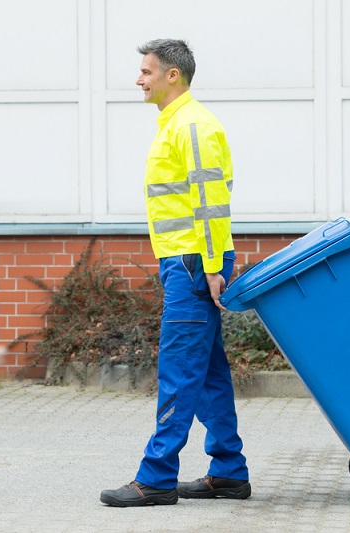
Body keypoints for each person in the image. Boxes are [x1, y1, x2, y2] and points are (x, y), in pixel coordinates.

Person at [100, 39, 250, 507]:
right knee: (206, 374)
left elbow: (210, 206)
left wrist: (208, 268)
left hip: (192, 266)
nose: (138, 79)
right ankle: (229, 472)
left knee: (179, 372)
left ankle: (157, 477)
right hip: (186, 263)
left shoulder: (193, 126)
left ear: (172, 76)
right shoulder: (175, 124)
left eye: (146, 71)